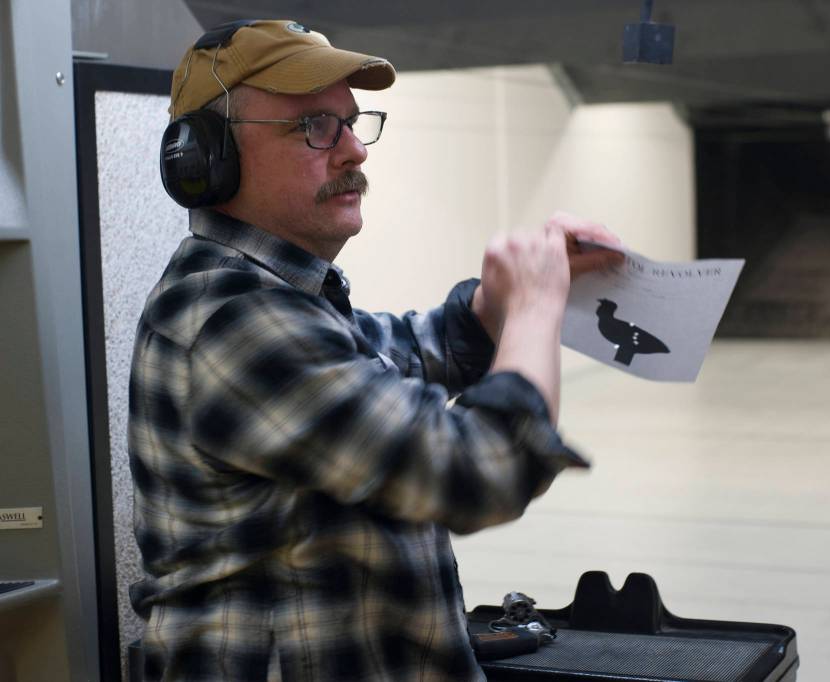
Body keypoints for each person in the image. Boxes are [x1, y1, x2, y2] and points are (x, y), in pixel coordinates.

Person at [129, 19, 622, 681]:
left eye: (352, 123)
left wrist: (491, 306)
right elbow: (479, 472)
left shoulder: (285, 298)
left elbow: (405, 352)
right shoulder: (229, 320)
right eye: (314, 127)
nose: (354, 152)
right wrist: (534, 308)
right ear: (207, 159)